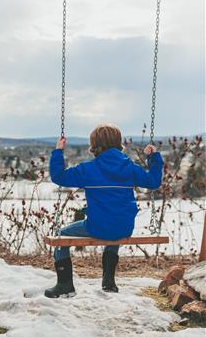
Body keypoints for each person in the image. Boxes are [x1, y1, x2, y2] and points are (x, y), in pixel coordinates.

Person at [45, 124, 163, 298]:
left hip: (97, 227)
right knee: (114, 230)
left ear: (95, 145)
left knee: (62, 235)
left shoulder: (88, 169)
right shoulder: (129, 168)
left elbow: (59, 177)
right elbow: (153, 181)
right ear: (118, 143)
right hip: (124, 227)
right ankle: (108, 282)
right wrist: (153, 158)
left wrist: (58, 151)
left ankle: (64, 285)